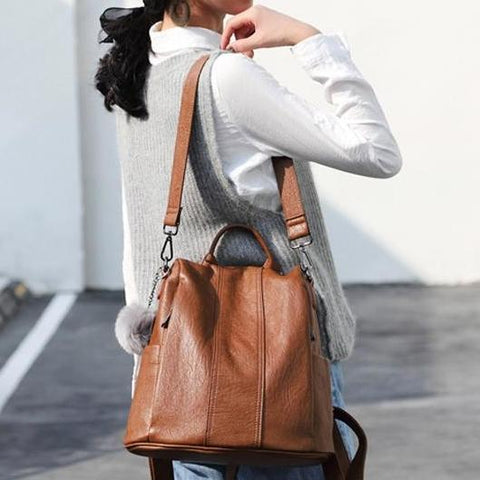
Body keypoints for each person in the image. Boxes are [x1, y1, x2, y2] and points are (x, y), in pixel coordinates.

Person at [95, 1, 402, 479]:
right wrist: (306, 38)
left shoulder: (137, 72)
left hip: (179, 373)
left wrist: (148, 363)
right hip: (276, 364)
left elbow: (140, 227)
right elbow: (377, 152)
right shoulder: (227, 78)